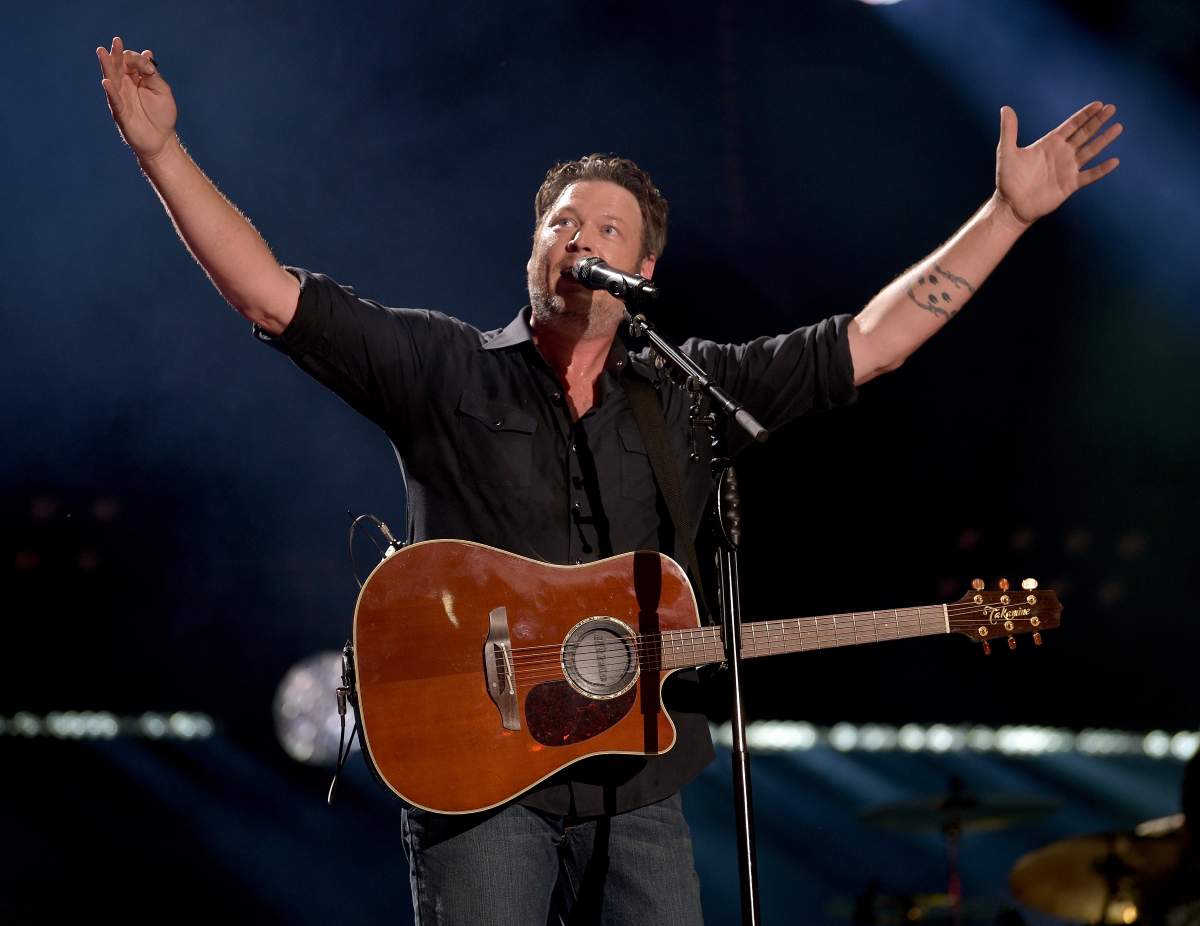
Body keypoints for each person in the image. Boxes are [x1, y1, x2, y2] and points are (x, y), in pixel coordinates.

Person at [95, 34, 1123, 925]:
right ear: (533, 251)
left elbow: (872, 341)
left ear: (640, 275)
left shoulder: (688, 392)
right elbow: (271, 296)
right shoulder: (445, 368)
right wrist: (161, 153)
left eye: (604, 231)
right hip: (476, 775)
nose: (578, 240)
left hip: (637, 779)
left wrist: (1007, 214)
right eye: (559, 226)